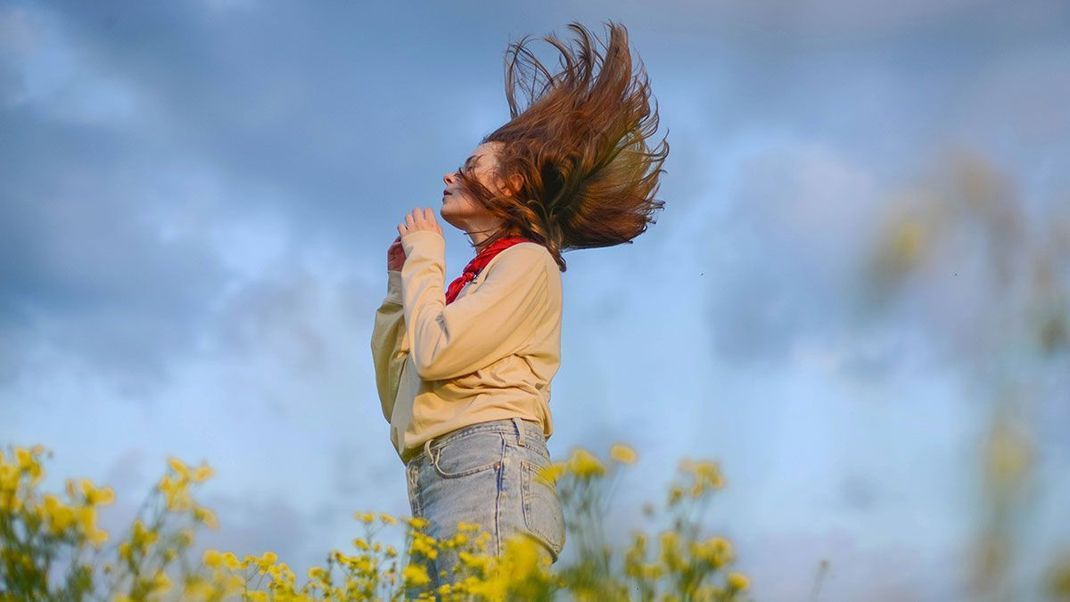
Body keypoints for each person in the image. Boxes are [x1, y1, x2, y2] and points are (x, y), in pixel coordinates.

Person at [370, 20, 669, 592]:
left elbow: (436, 354)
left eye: (472, 163)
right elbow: (398, 397)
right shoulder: (475, 278)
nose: (450, 174)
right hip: (442, 474)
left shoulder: (526, 262)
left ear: (511, 185)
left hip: (489, 469)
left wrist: (427, 258)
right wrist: (398, 285)